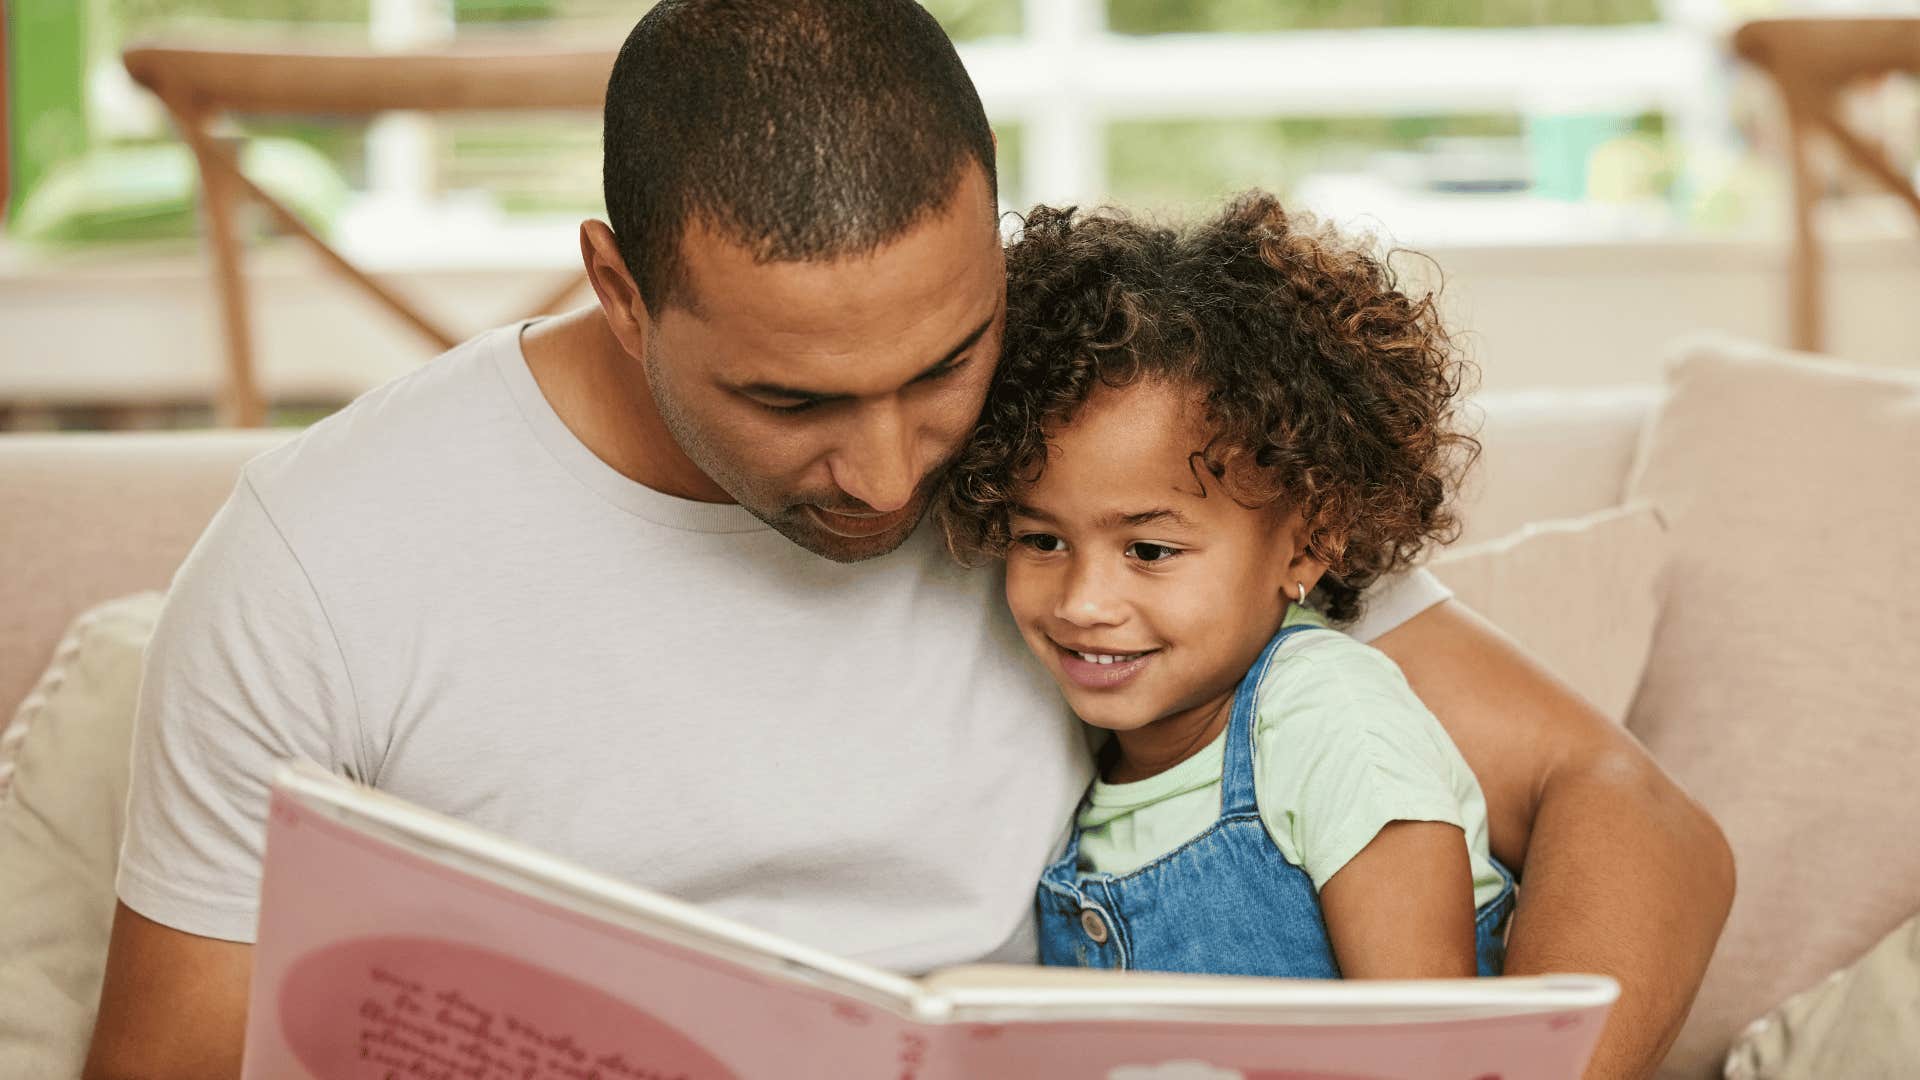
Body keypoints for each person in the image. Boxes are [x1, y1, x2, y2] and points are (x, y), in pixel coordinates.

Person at [83, 3, 1732, 1079]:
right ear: (618, 287)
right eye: (793, 400)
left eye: (944, 362)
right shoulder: (329, 558)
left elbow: (1631, 816)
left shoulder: (1091, 455)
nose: (889, 474)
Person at [940, 196, 1511, 978]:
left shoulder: (1334, 723)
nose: (1082, 602)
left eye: (1148, 548)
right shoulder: (1083, 770)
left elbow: (1426, 1044)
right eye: (1041, 540)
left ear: (1307, 544)